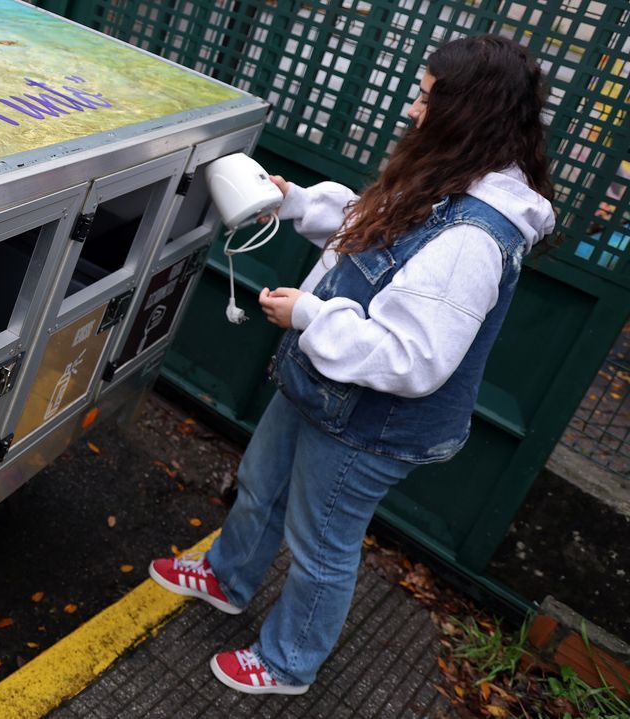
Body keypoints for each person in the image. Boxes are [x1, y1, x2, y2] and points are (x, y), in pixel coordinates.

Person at [147, 34, 555, 695]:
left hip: (372, 425)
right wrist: (297, 202)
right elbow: (377, 227)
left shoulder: (477, 236)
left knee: (322, 546)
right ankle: (228, 577)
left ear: (468, 110)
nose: (414, 110)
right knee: (261, 482)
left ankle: (288, 662)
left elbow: (413, 358)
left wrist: (310, 316)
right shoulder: (453, 172)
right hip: (324, 386)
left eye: (427, 98)